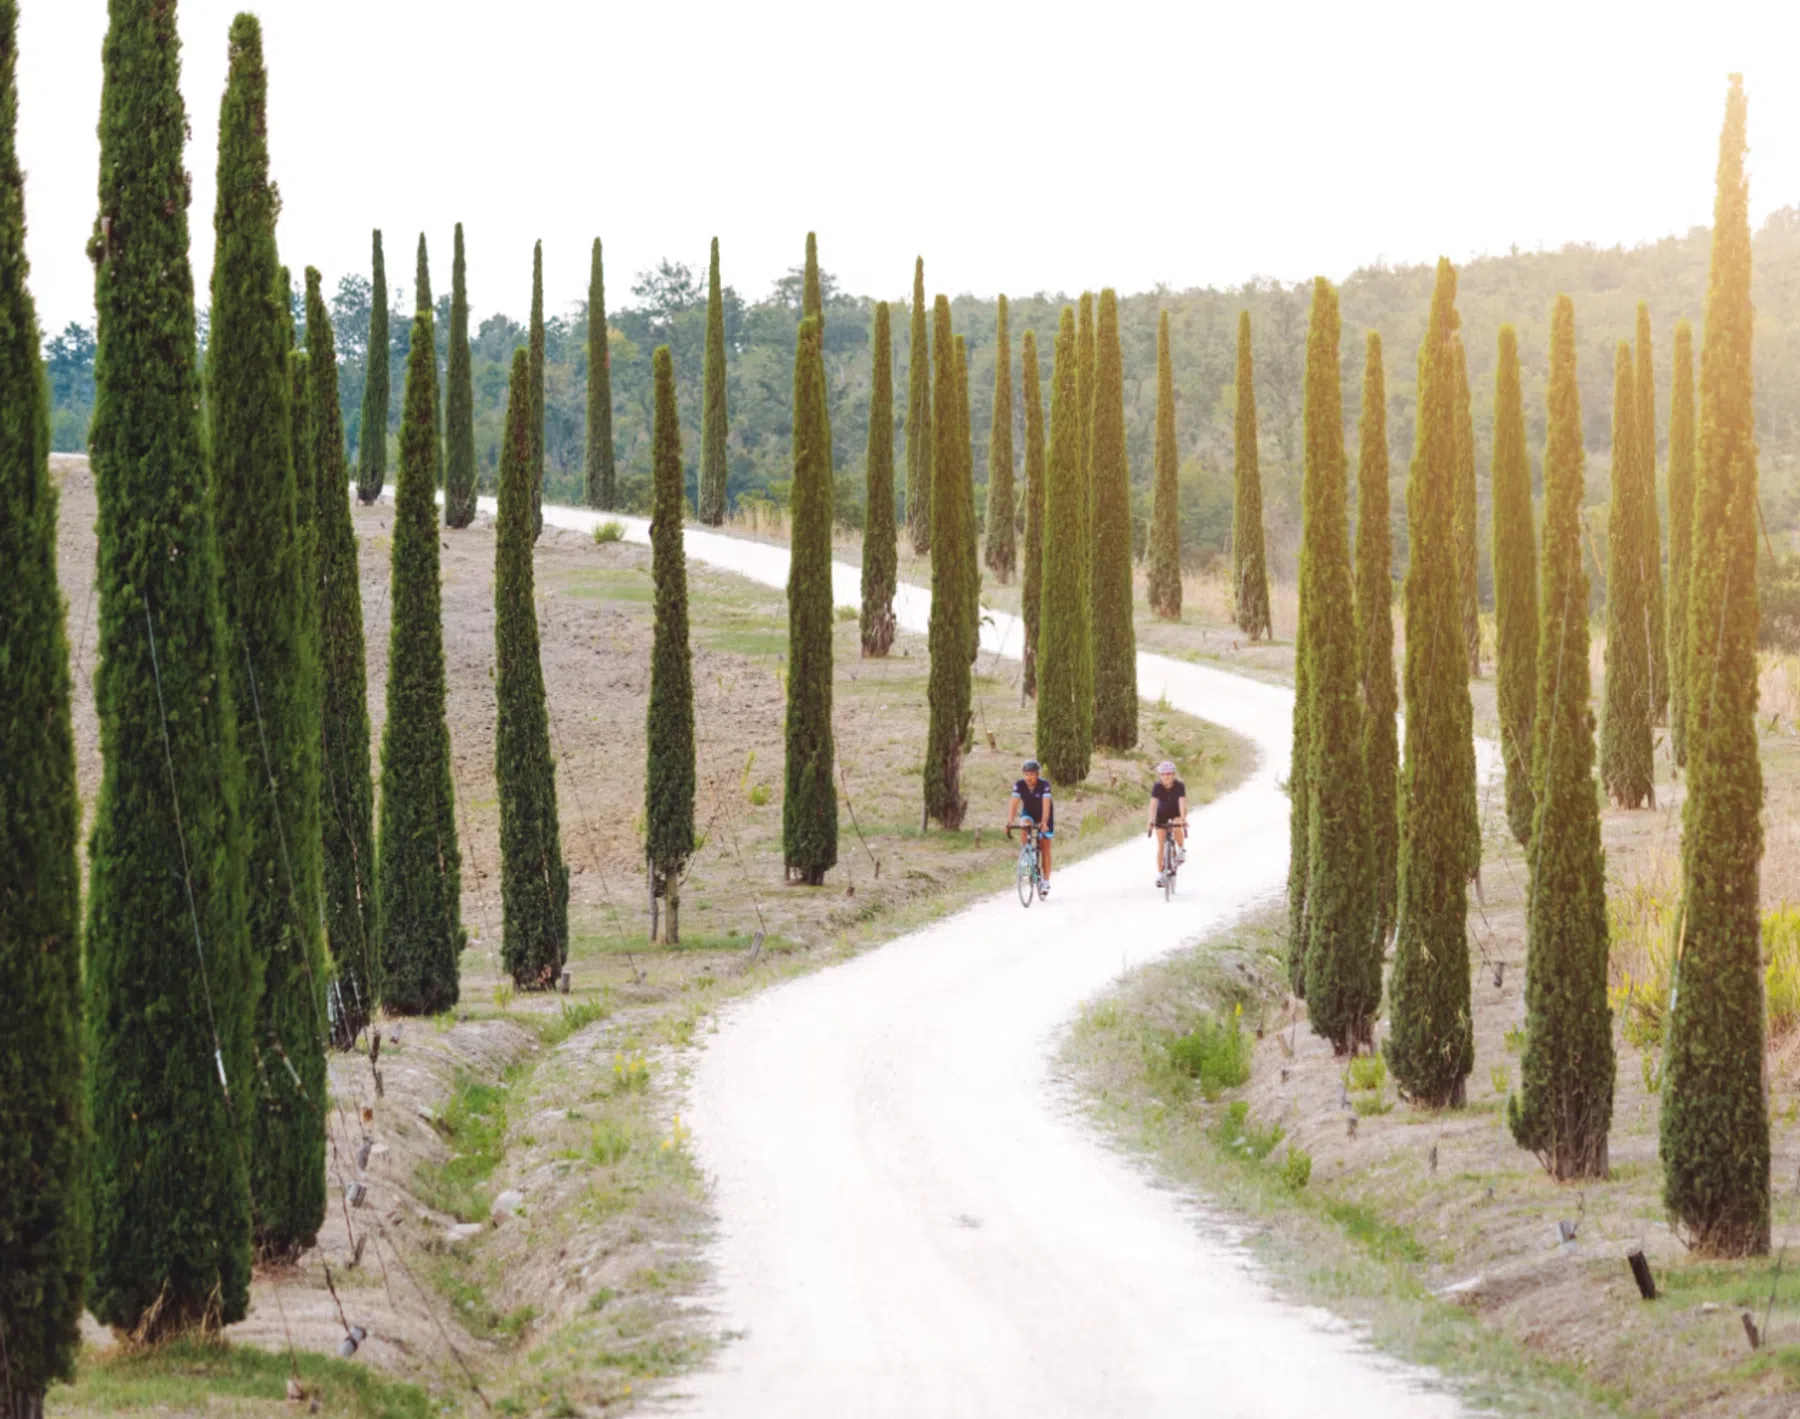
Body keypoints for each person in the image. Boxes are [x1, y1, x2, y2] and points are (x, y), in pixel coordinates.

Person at [1007, 759, 1053, 897]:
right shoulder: (1019, 785)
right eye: (1026, 774)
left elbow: (1046, 805)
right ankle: (1027, 855)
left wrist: (1044, 822)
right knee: (1024, 825)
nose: (1029, 777)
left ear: (1037, 775)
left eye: (1032, 774)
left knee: (1045, 848)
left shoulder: (1044, 785)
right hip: (1029, 813)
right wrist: (1009, 822)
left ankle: (1045, 881)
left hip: (1044, 815)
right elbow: (1014, 805)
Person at [1147, 760, 1187, 888]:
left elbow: (1182, 803)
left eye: (1169, 774)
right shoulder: (1157, 787)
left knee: (1177, 826)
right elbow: (1153, 805)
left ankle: (1181, 850)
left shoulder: (1179, 786)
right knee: (1161, 845)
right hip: (1161, 814)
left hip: (1176, 812)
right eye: (1163, 774)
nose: (1166, 777)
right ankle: (1160, 875)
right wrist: (1151, 821)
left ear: (1173, 775)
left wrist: (1183, 819)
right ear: (1160, 776)